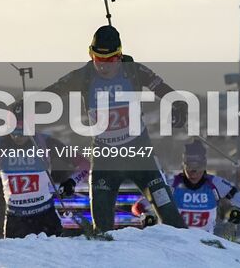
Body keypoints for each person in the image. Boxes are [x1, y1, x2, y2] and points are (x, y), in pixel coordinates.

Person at [39, 24, 187, 232]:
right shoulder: (84, 75)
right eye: (98, 58)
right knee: (102, 230)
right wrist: (24, 105)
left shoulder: (134, 71)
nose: (103, 66)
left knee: (171, 218)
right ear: (91, 55)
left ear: (119, 55)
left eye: (110, 59)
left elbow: (166, 90)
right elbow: (52, 92)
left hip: (139, 155)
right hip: (105, 159)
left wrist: (178, 103)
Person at [0, 101, 88, 238]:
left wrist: (72, 181)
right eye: (14, 132)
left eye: (22, 132)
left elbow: (84, 164)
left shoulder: (46, 143)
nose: (18, 137)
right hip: (15, 219)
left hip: (46, 216)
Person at [133, 139, 240, 233]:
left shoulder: (216, 184)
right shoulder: (171, 185)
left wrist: (238, 213)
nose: (194, 173)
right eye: (189, 168)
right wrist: (146, 216)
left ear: (204, 166)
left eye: (198, 169)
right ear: (184, 165)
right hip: (174, 245)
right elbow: (138, 207)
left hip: (203, 247)